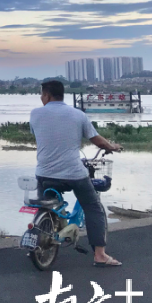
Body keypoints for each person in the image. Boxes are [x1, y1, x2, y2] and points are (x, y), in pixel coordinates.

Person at [31, 80, 123, 267]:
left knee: (45, 205)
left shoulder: (35, 114)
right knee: (93, 207)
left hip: (43, 173)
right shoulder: (78, 115)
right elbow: (98, 141)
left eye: (42, 95)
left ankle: (42, 236)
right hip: (73, 173)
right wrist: (112, 146)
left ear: (47, 95)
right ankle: (100, 255)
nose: (41, 98)